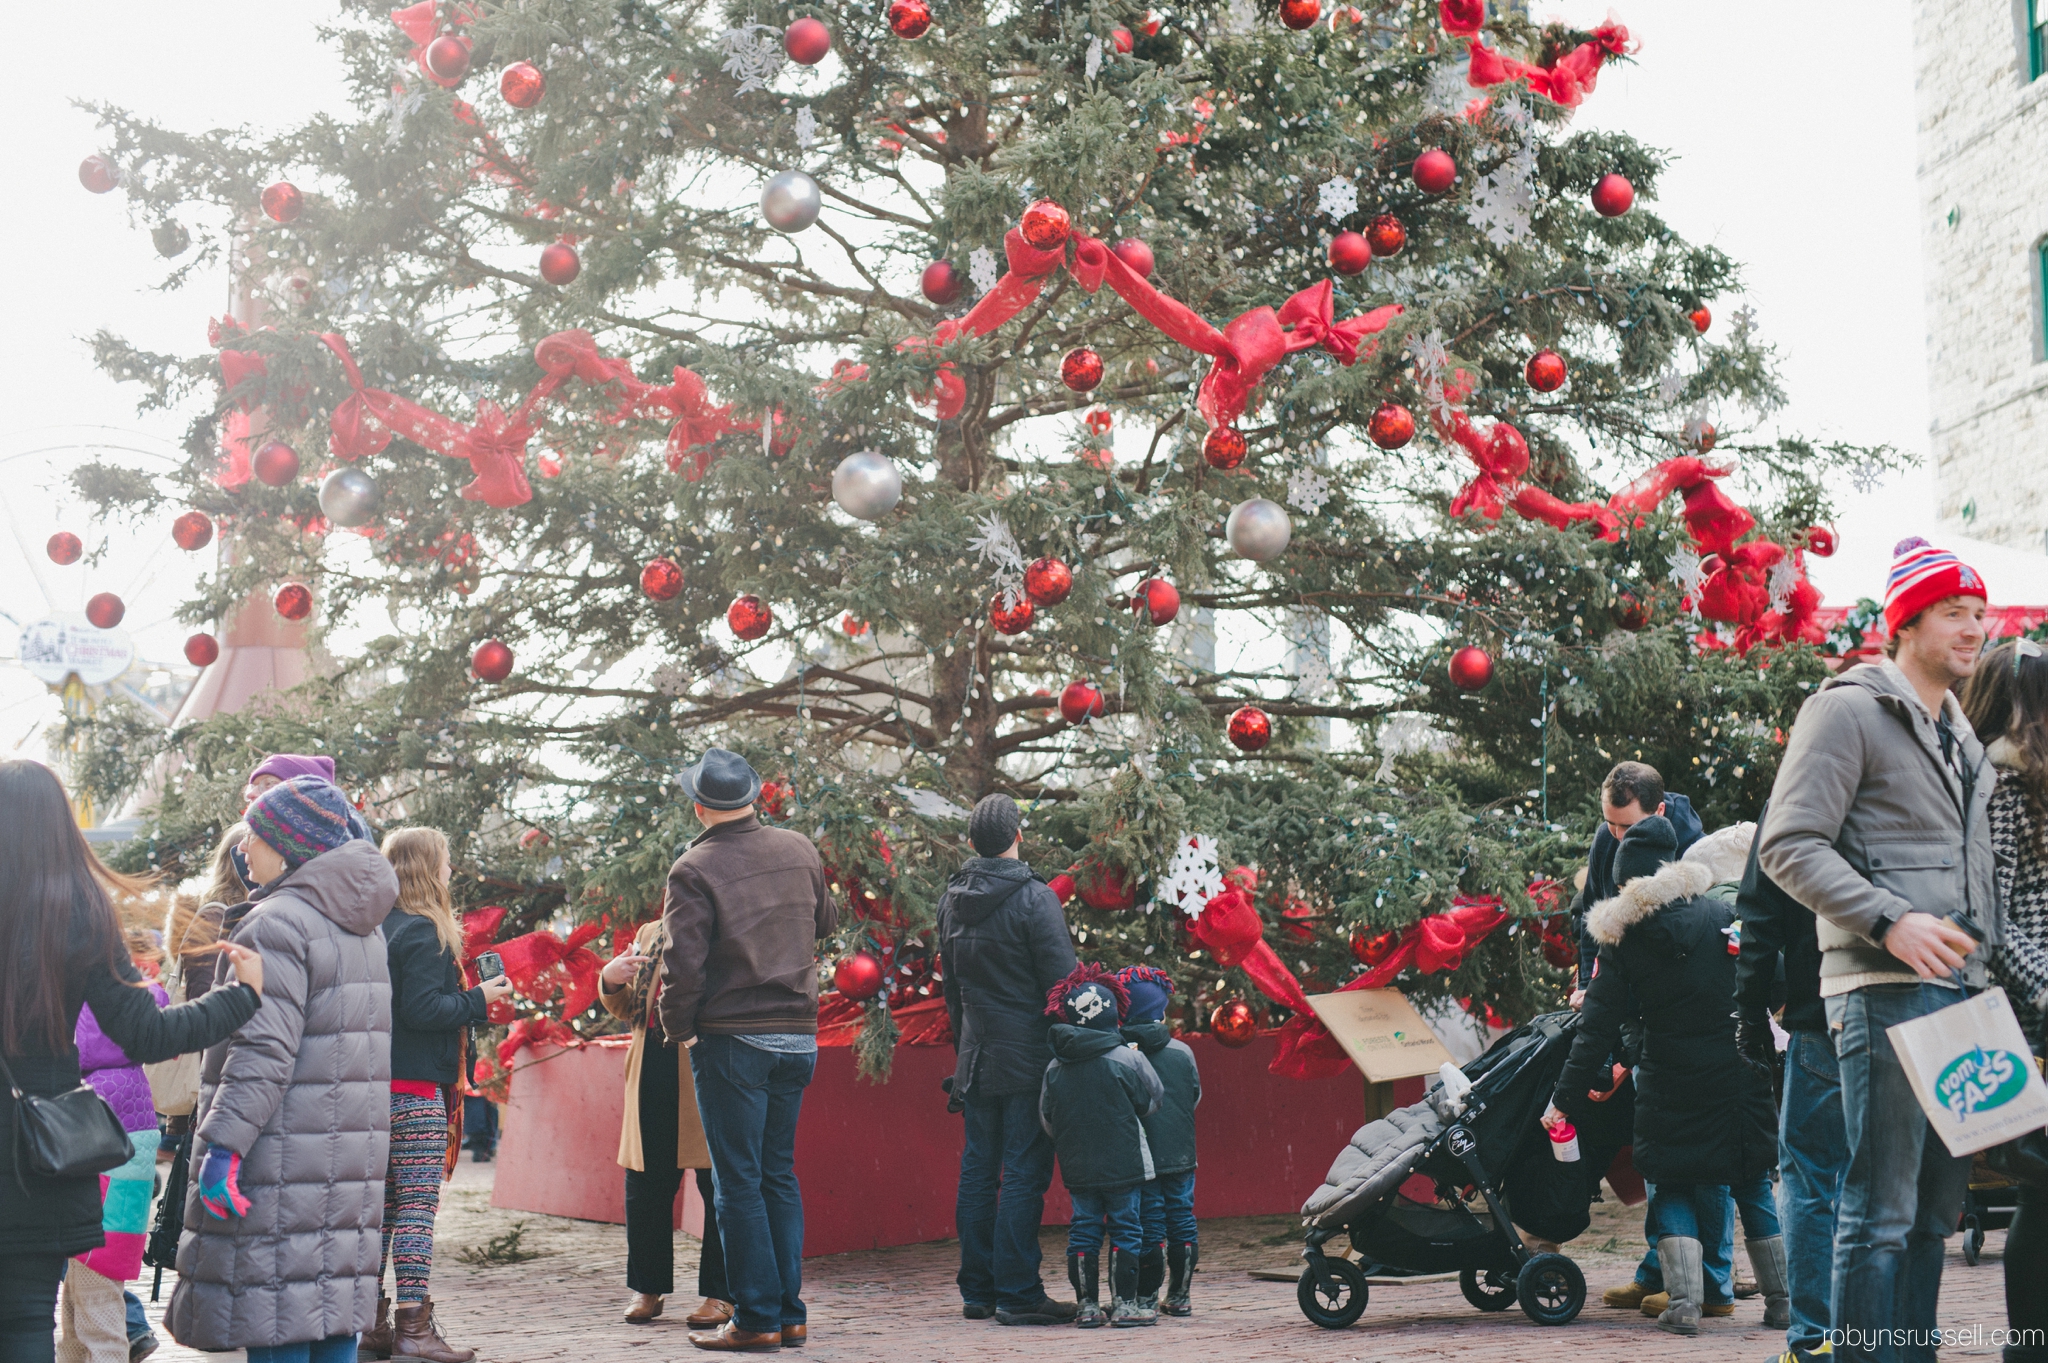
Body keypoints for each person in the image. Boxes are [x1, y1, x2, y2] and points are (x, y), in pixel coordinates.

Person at [1757, 538, 2001, 1363]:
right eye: (1954, 613)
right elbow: (1788, 843)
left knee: (1938, 1212)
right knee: (1881, 1209)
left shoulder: (1961, 734)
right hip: (1884, 986)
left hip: (1966, 995)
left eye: (1979, 612)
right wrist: (1888, 918)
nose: (1975, 628)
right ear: (1906, 622)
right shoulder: (1848, 708)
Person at [0, 759, 262, 1363]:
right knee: (25, 1323)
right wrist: (241, 996)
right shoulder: (77, 908)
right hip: (37, 1152)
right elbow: (145, 1034)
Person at [168, 776, 400, 1363]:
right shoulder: (364, 928)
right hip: (346, 1170)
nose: (244, 847)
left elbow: (260, 1051)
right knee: (326, 1325)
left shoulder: (277, 922)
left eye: (256, 835)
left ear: (290, 844)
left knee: (279, 1324)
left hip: (278, 1165)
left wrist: (221, 1147)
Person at [1546, 816, 1782, 1337]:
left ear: (1626, 880)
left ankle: (1684, 1304)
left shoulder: (1623, 940)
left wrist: (1563, 1100)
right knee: (1751, 1182)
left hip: (1668, 1080)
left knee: (1672, 1184)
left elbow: (1596, 1027)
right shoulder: (1724, 915)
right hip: (1737, 1073)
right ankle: (1782, 1301)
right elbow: (1772, 981)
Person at [656, 749, 837, 1353]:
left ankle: (757, 1318)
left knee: (738, 1184)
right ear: (754, 798)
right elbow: (826, 924)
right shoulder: (800, 849)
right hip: (799, 1035)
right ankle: (790, 1315)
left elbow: (683, 965)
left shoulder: (693, 867)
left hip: (733, 1040)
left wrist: (676, 1026)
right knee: (778, 1175)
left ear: (701, 805)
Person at [359, 829, 512, 1363]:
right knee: (417, 1211)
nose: (451, 872)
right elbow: (424, 1011)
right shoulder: (424, 933)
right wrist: (477, 1000)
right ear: (427, 869)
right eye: (446, 862)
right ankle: (414, 1330)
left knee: (380, 1212)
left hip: (373, 1092)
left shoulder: (376, 929)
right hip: (415, 1094)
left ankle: (371, 1325)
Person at [1572, 761, 1714, 1313]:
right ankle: (1660, 1268)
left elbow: (1698, 922)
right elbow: (1592, 919)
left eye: (1623, 828)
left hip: (1672, 1013)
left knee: (1685, 1157)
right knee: (1653, 1148)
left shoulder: (1691, 841)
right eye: (1606, 823)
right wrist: (1590, 985)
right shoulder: (1608, 836)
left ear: (1657, 812)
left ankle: (1706, 1279)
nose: (1612, 837)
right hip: (1623, 997)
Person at [935, 794, 1079, 1326]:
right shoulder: (1036, 898)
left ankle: (978, 1291)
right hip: (1027, 1054)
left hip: (976, 1054)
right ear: (1018, 835)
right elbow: (1061, 986)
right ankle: (1018, 1293)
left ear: (973, 841)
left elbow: (952, 989)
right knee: (1022, 1171)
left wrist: (964, 1047)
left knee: (978, 1172)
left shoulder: (951, 899)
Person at [1959, 637, 2048, 1363]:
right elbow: (1996, 915)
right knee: (2041, 1187)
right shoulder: (2002, 785)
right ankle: (2029, 1346)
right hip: (2031, 1018)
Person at [1734, 807, 1845, 1363]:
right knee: (1881, 1184)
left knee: (1807, 1179)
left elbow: (1759, 916)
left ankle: (1814, 1338)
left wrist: (1752, 1012)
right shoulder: (1920, 763)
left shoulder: (1798, 792)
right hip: (1912, 1004)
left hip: (1823, 1010)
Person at [600, 917, 731, 1329]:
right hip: (652, 1066)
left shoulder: (725, 926)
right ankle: (647, 1288)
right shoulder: (650, 932)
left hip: (705, 1065)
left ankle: (720, 1293)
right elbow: (628, 1010)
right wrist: (611, 978)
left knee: (718, 1186)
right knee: (645, 1184)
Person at [56, 938, 173, 1363]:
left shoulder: (95, 1086)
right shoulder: (128, 1075)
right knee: (77, 1316)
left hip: (95, 1223)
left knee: (98, 1323)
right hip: (114, 1224)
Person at [1037, 964, 1162, 1330]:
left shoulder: (1055, 1066)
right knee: (1126, 1227)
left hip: (1078, 1165)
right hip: (1125, 1162)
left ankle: (1088, 1307)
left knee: (1084, 1228)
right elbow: (1152, 1100)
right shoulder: (1128, 1057)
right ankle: (1125, 1305)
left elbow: (1047, 1119)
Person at [1116, 966, 1200, 1318]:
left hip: (1139, 1155)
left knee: (1148, 1222)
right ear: (1161, 1009)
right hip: (1180, 1151)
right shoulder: (1182, 1052)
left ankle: (1146, 1296)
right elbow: (1194, 1096)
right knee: (1182, 1216)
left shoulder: (1117, 1055)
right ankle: (1180, 1295)